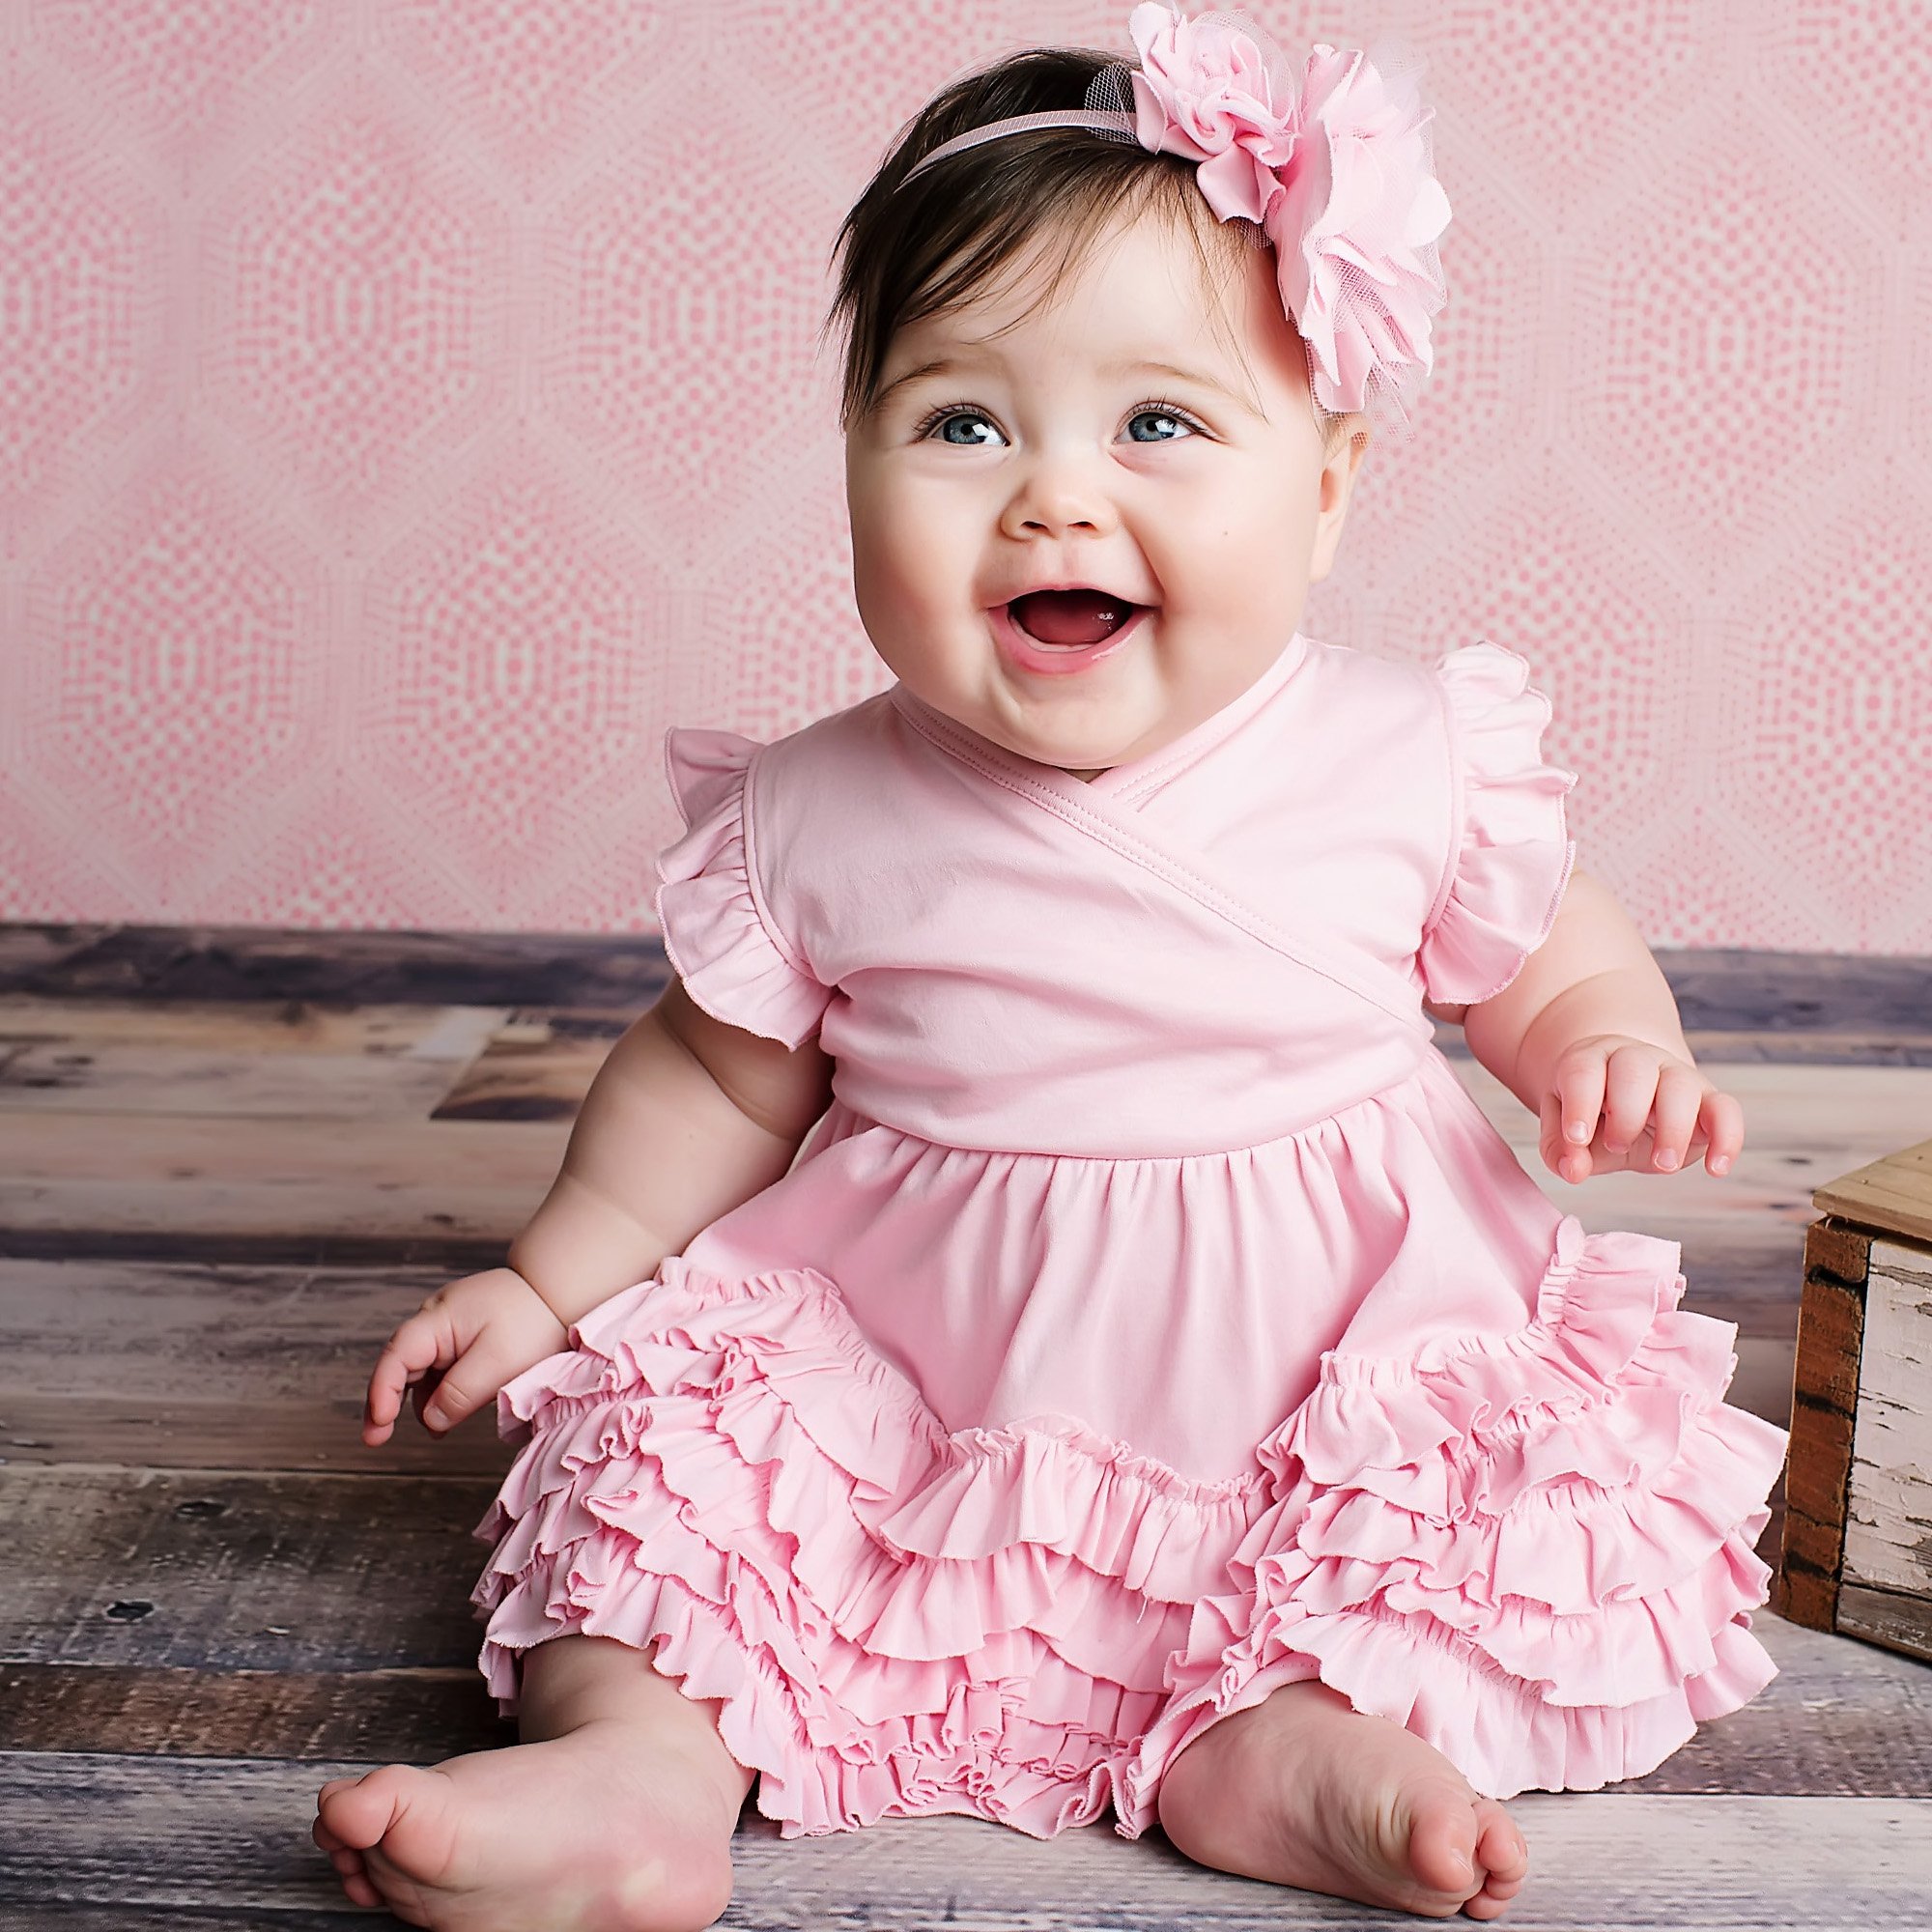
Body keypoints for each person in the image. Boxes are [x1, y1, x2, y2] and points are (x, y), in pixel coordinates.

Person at [313, 6, 1790, 1926]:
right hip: (923, 1387)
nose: (1051, 494)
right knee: (660, 1487)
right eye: (960, 422)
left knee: (1459, 1525)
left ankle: (1276, 1737)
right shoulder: (823, 806)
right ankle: (635, 1770)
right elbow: (709, 1081)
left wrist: (1603, 1038)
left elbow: (1540, 942)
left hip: (1322, 1368)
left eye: (1158, 422)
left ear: (1327, 486)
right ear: (848, 463)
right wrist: (544, 1276)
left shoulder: (1399, 750)